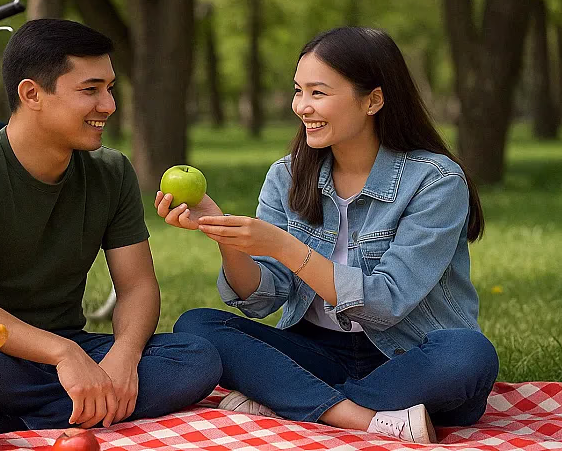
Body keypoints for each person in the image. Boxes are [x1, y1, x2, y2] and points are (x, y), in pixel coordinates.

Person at [157, 27, 499, 444]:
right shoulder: (287, 175)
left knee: (469, 356)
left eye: (318, 92)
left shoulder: (435, 181)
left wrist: (285, 246)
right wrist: (225, 236)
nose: (301, 107)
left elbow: (386, 303)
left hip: (408, 357)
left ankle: (290, 399)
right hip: (316, 352)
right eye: (298, 91)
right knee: (196, 325)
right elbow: (262, 298)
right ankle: (360, 416)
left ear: (373, 99)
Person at [0, 18, 221, 438]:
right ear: (32, 93)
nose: (108, 104)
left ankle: (1, 422)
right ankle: (65, 408)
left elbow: (138, 285)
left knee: (196, 358)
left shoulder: (111, 172)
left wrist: (121, 358)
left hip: (64, 344)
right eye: (90, 90)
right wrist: (62, 353)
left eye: (110, 88)